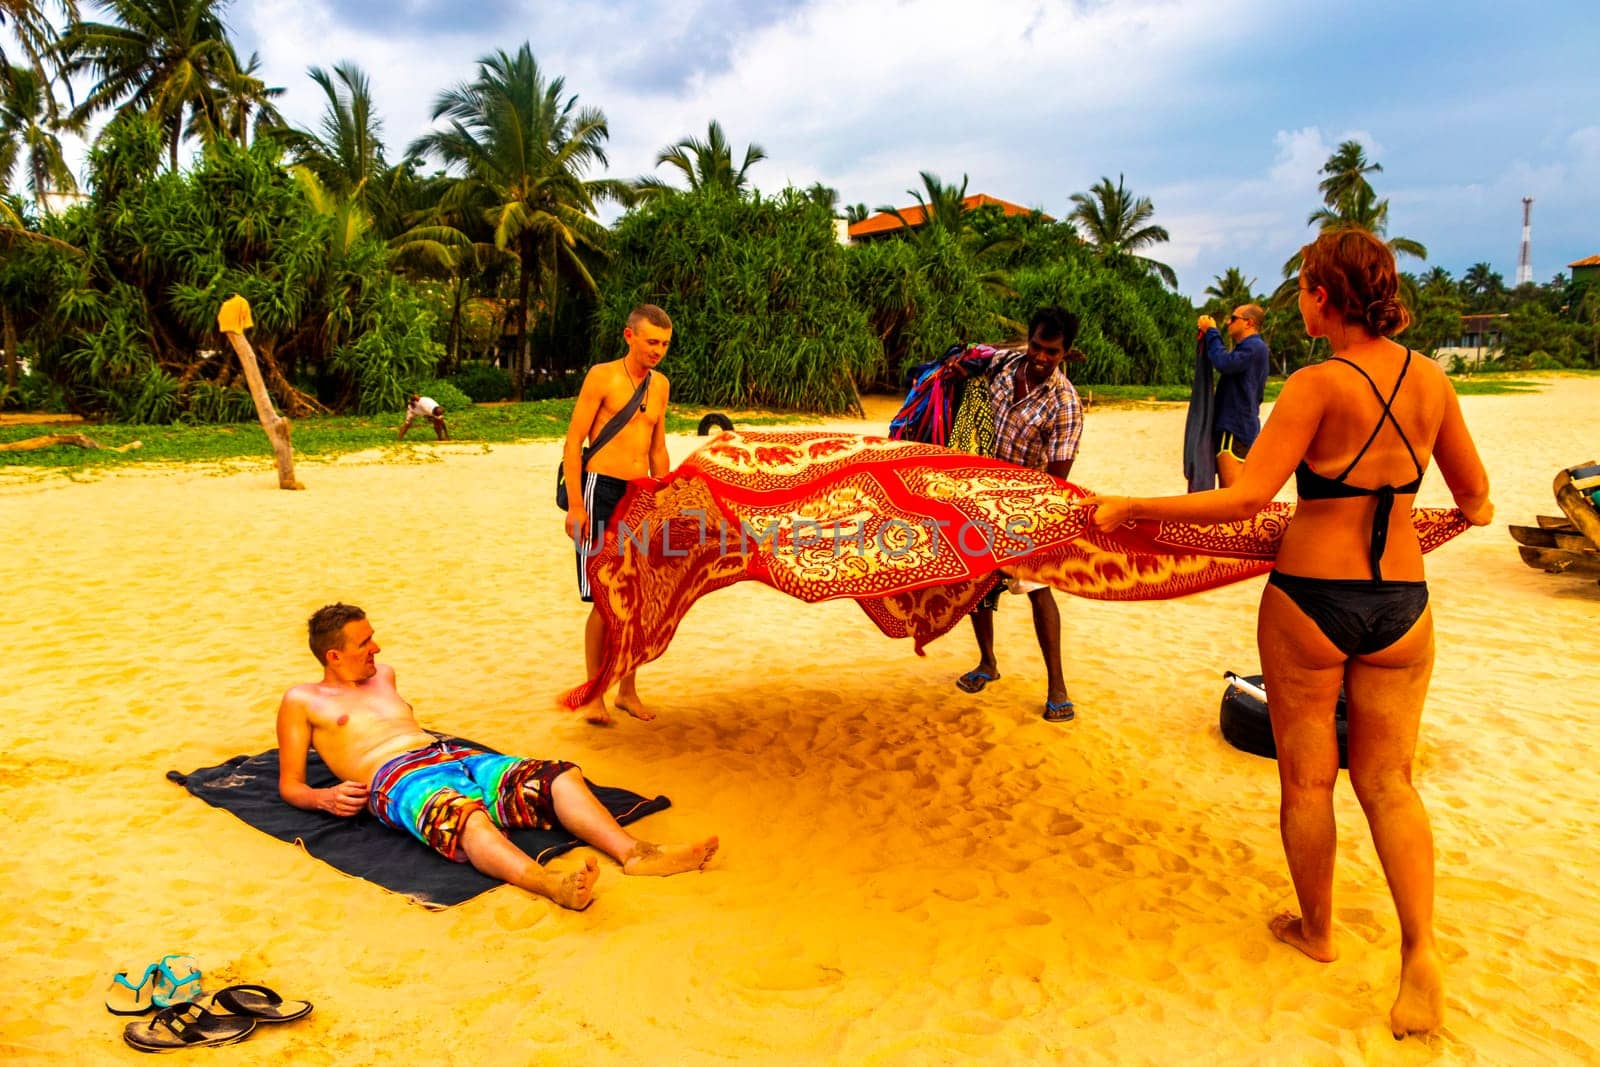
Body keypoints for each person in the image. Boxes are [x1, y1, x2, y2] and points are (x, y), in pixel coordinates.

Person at [1085, 229, 1492, 1038]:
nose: (1301, 296)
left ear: (1324, 297)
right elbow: (1478, 501)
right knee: (1390, 783)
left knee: (1309, 779)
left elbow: (1245, 502)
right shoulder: (1432, 381)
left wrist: (1134, 509)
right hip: (1403, 606)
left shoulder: (1316, 383)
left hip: (1311, 597)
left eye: (1306, 284)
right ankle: (1419, 954)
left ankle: (1317, 929)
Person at [276, 603, 718, 911]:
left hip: (447, 752)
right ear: (334, 655)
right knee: (464, 817)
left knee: (559, 776)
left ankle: (636, 853)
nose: (377, 648)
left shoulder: (385, 676)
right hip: (394, 778)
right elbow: (290, 784)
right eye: (365, 643)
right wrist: (323, 799)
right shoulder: (302, 700)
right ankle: (549, 883)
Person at [954, 305, 1085, 723]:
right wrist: (957, 371)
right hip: (980, 491)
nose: (1041, 357)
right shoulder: (1007, 364)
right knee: (977, 582)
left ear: (1065, 353)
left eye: (1052, 351)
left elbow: (1058, 480)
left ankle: (1057, 689)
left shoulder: (1065, 405)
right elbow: (971, 364)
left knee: (1036, 588)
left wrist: (1030, 517)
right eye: (1036, 346)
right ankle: (987, 663)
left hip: (1027, 504)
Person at [562, 304, 673, 726]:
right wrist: (575, 505)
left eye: (663, 344)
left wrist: (664, 496)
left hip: (641, 495)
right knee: (604, 599)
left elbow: (657, 447)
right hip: (599, 491)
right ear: (630, 337)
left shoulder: (659, 385)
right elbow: (574, 443)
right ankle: (593, 695)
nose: (657, 351)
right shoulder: (602, 376)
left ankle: (627, 690)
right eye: (651, 342)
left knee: (637, 598)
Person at [1197, 304, 1271, 487]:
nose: (1228, 322)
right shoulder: (1254, 348)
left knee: (1230, 491)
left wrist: (1212, 332)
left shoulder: (1253, 347)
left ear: (1249, 323)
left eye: (1233, 318)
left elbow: (1223, 363)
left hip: (1234, 427)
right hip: (1243, 424)